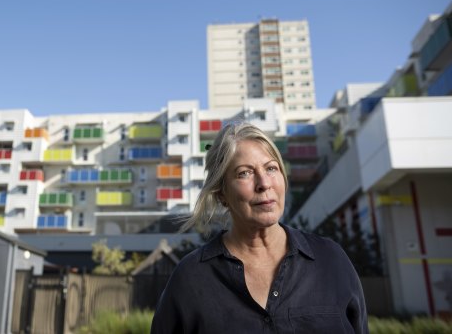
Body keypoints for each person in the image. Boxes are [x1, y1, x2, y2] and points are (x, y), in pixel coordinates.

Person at [151, 122, 368, 334]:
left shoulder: (331, 260)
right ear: (222, 195)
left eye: (271, 168)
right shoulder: (191, 278)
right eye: (244, 173)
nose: (264, 183)